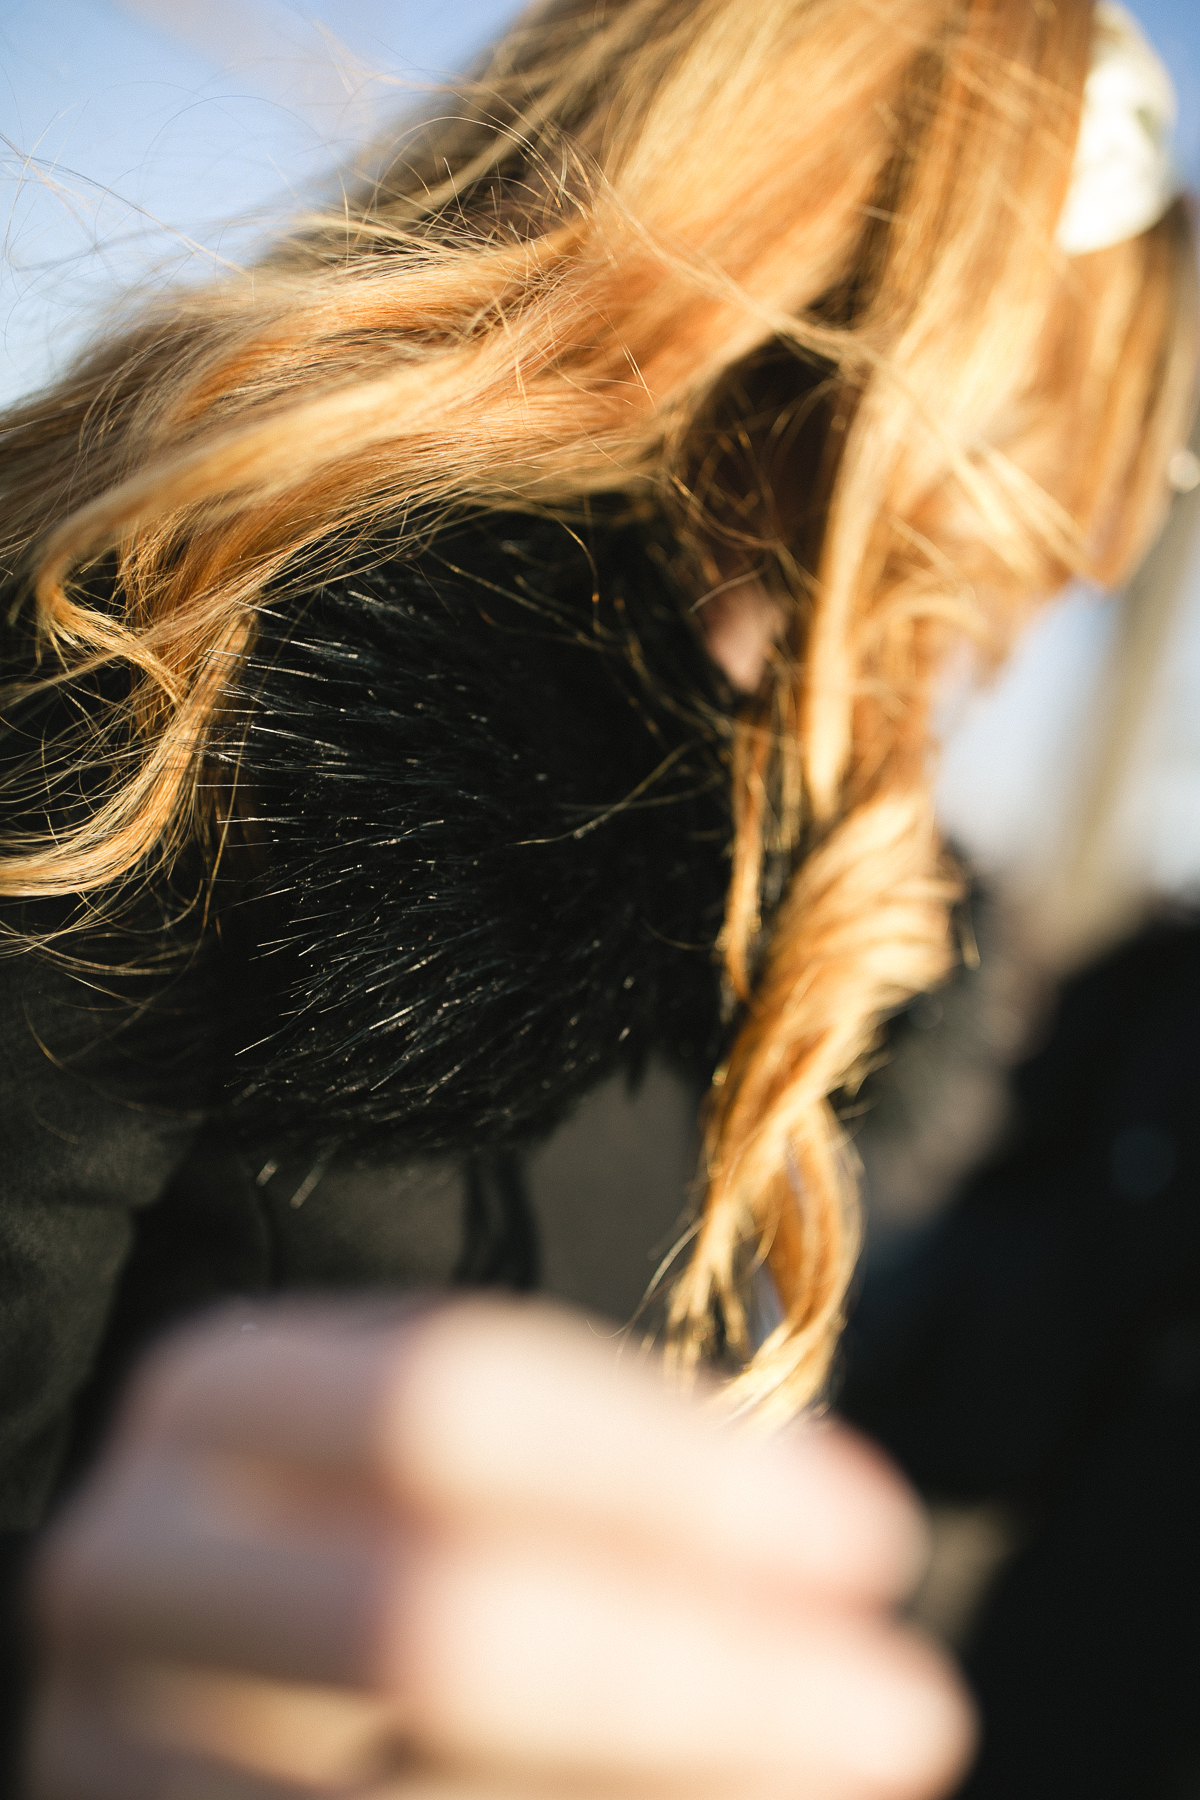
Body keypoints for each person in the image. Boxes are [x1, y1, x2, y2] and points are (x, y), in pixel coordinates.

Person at [0, 0, 1194, 1793]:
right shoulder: (186, 687)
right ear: (926, 356)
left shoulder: (791, 913)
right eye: (1109, 433)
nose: (1097, 542)